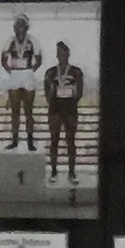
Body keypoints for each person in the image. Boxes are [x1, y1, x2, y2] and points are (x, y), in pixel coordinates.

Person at [43, 36, 84, 183]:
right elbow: (47, 95)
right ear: (56, 55)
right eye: (58, 53)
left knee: (70, 140)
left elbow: (79, 93)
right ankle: (54, 172)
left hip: (70, 109)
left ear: (68, 54)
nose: (61, 56)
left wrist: (70, 98)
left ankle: (72, 173)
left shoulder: (76, 72)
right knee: (54, 140)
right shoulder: (50, 72)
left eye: (63, 53)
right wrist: (53, 90)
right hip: (55, 109)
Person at [1, 15, 40, 153]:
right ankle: (14, 141)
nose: (19, 28)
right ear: (14, 28)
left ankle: (30, 141)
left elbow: (38, 59)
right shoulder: (9, 41)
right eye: (17, 26)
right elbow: (3, 59)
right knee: (15, 111)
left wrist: (30, 70)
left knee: (28, 111)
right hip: (15, 75)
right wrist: (11, 71)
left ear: (27, 27)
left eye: (22, 25)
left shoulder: (33, 41)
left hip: (27, 74)